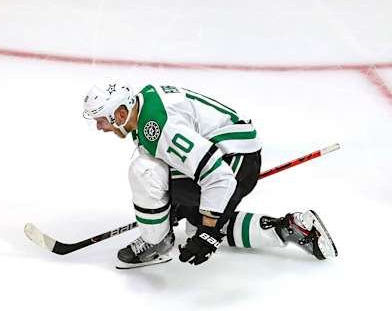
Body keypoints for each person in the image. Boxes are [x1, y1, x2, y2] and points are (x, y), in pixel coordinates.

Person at [83, 78, 338, 268]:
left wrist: (210, 232)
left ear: (121, 113)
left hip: (234, 159)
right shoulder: (144, 105)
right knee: (194, 222)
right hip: (230, 150)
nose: (99, 127)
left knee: (150, 176)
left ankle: (158, 241)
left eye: (102, 119)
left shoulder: (158, 126)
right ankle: (288, 228)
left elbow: (218, 177)